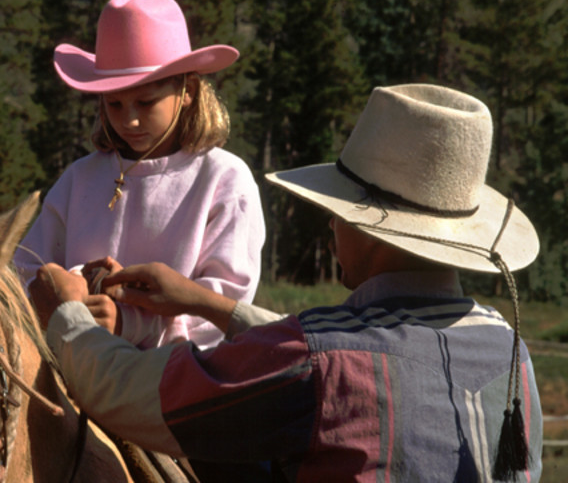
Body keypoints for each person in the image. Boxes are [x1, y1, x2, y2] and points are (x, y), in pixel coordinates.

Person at [31, 84, 543, 482]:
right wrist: (210, 304)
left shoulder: (316, 360)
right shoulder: (508, 348)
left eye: (337, 212)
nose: (330, 225)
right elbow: (363, 349)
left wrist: (68, 311)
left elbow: (128, 394)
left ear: (368, 229)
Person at [14, 0, 265, 352]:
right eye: (113, 103)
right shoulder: (80, 178)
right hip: (70, 379)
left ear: (188, 90)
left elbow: (225, 307)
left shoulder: (223, 180)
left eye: (145, 102)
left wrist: (131, 324)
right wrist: (64, 290)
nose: (128, 119)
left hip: (174, 389)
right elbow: (23, 271)